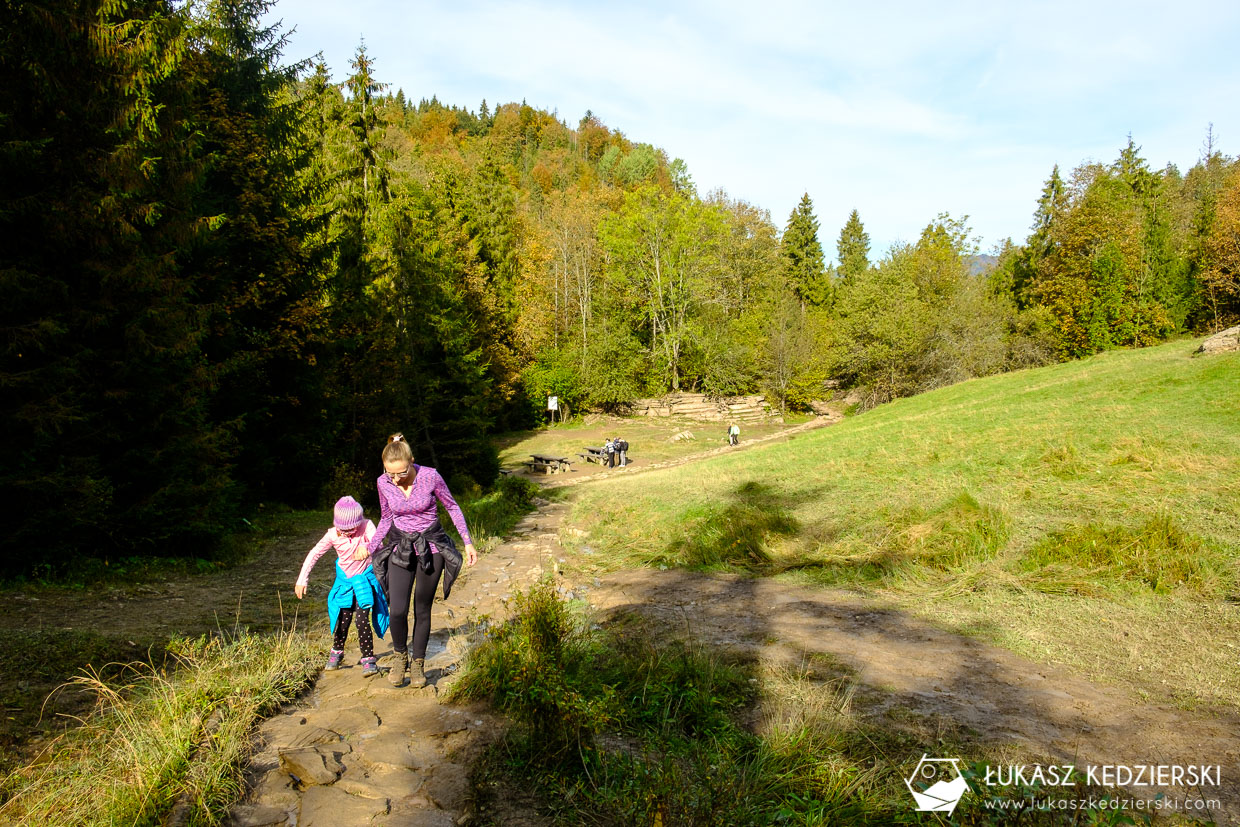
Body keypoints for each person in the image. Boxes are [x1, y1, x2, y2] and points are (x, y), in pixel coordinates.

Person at [368, 433, 478, 688]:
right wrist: (370, 548)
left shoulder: (431, 476)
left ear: (412, 461)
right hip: (400, 549)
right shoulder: (383, 482)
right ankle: (399, 657)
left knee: (422, 609)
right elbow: (385, 518)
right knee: (396, 609)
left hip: (432, 549)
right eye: (390, 474)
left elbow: (452, 507)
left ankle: (418, 664)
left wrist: (468, 542)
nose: (395, 480)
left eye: (401, 473)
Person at [295, 496, 390, 677]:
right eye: (342, 530)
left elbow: (380, 543)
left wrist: (367, 547)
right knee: (342, 619)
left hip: (364, 582)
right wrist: (302, 579)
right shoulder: (332, 534)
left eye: (351, 529)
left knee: (362, 620)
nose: (346, 533)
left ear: (359, 522)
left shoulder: (367, 525)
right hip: (345, 583)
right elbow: (314, 553)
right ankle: (337, 652)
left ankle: (368, 659)